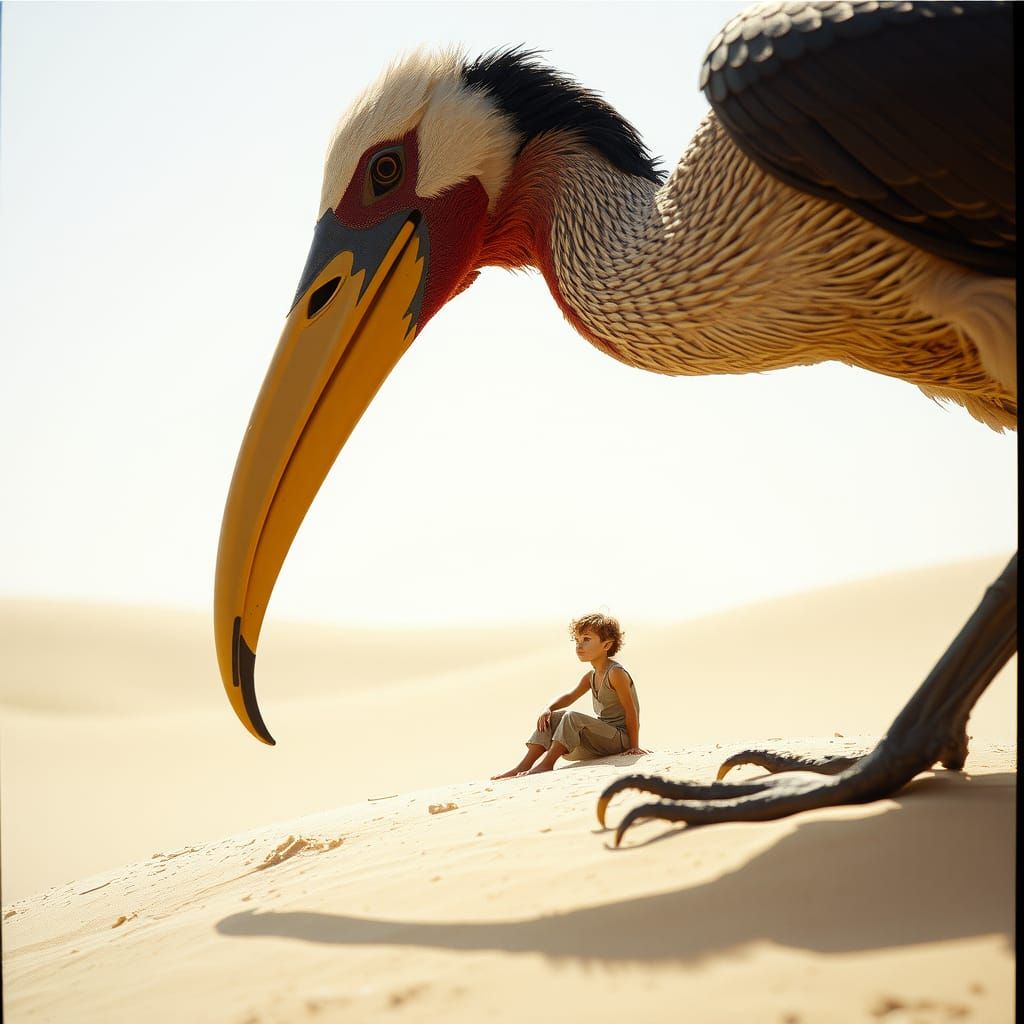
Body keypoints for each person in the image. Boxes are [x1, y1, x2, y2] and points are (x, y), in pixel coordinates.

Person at [491, 612, 647, 779]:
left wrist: (634, 746)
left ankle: (547, 764)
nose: (579, 646)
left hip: (620, 740)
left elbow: (632, 711)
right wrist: (548, 708)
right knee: (553, 718)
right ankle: (522, 766)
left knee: (572, 716)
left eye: (586, 639)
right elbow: (570, 696)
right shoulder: (591, 676)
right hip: (602, 739)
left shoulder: (615, 673)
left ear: (607, 645)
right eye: (577, 640)